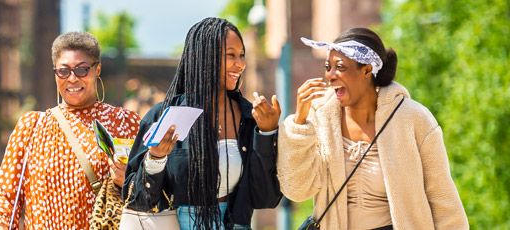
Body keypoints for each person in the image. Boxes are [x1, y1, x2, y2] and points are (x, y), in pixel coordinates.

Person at [278, 28, 469, 229]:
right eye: (328, 67)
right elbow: (296, 190)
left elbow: (444, 201)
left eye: (340, 67)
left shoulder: (413, 119)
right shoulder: (320, 118)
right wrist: (299, 121)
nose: (330, 76)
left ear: (367, 70)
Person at [122, 17, 284, 230]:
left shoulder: (250, 117)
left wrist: (266, 133)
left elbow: (266, 199)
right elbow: (138, 200)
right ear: (205, 57)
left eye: (242, 55)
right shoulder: (165, 116)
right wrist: (156, 159)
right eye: (231, 55)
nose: (241, 64)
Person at [0, 31, 141, 229]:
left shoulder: (124, 123)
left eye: (82, 70)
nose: (73, 78)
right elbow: (6, 200)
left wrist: (129, 183)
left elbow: (152, 193)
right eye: (64, 71)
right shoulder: (32, 126)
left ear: (98, 69)